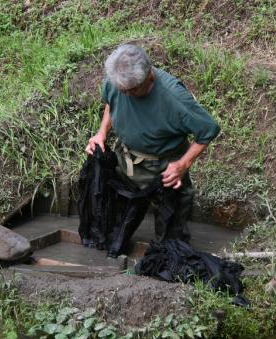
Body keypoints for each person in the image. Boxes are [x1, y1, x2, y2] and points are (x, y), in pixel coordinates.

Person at [85, 43, 220, 241]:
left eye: (132, 90)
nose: (126, 94)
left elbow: (208, 129)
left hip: (163, 169)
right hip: (125, 159)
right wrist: (101, 133)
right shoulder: (117, 83)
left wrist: (183, 164)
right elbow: (111, 103)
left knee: (170, 234)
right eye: (122, 90)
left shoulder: (174, 98)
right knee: (115, 223)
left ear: (149, 75)